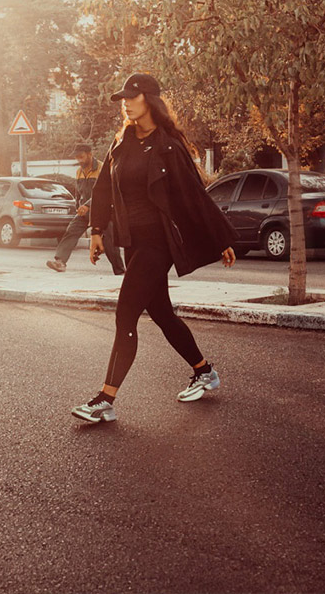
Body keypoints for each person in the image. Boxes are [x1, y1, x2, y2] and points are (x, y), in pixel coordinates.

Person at [71, 73, 237, 423]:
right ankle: (204, 371)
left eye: (132, 97)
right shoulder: (122, 142)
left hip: (157, 244)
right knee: (161, 313)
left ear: (150, 99)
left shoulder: (168, 147)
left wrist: (222, 238)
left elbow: (193, 195)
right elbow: (102, 190)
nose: (126, 103)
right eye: (123, 98)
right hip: (133, 243)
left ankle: (105, 400)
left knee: (125, 314)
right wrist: (97, 230)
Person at [46, 144, 124, 276]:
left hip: (102, 211)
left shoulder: (102, 169)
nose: (79, 160)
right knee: (71, 230)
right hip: (84, 211)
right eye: (77, 158)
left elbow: (105, 193)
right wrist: (79, 206)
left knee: (109, 241)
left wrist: (87, 205)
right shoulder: (79, 171)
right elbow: (78, 193)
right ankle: (60, 261)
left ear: (90, 154)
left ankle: (120, 271)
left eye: (81, 157)